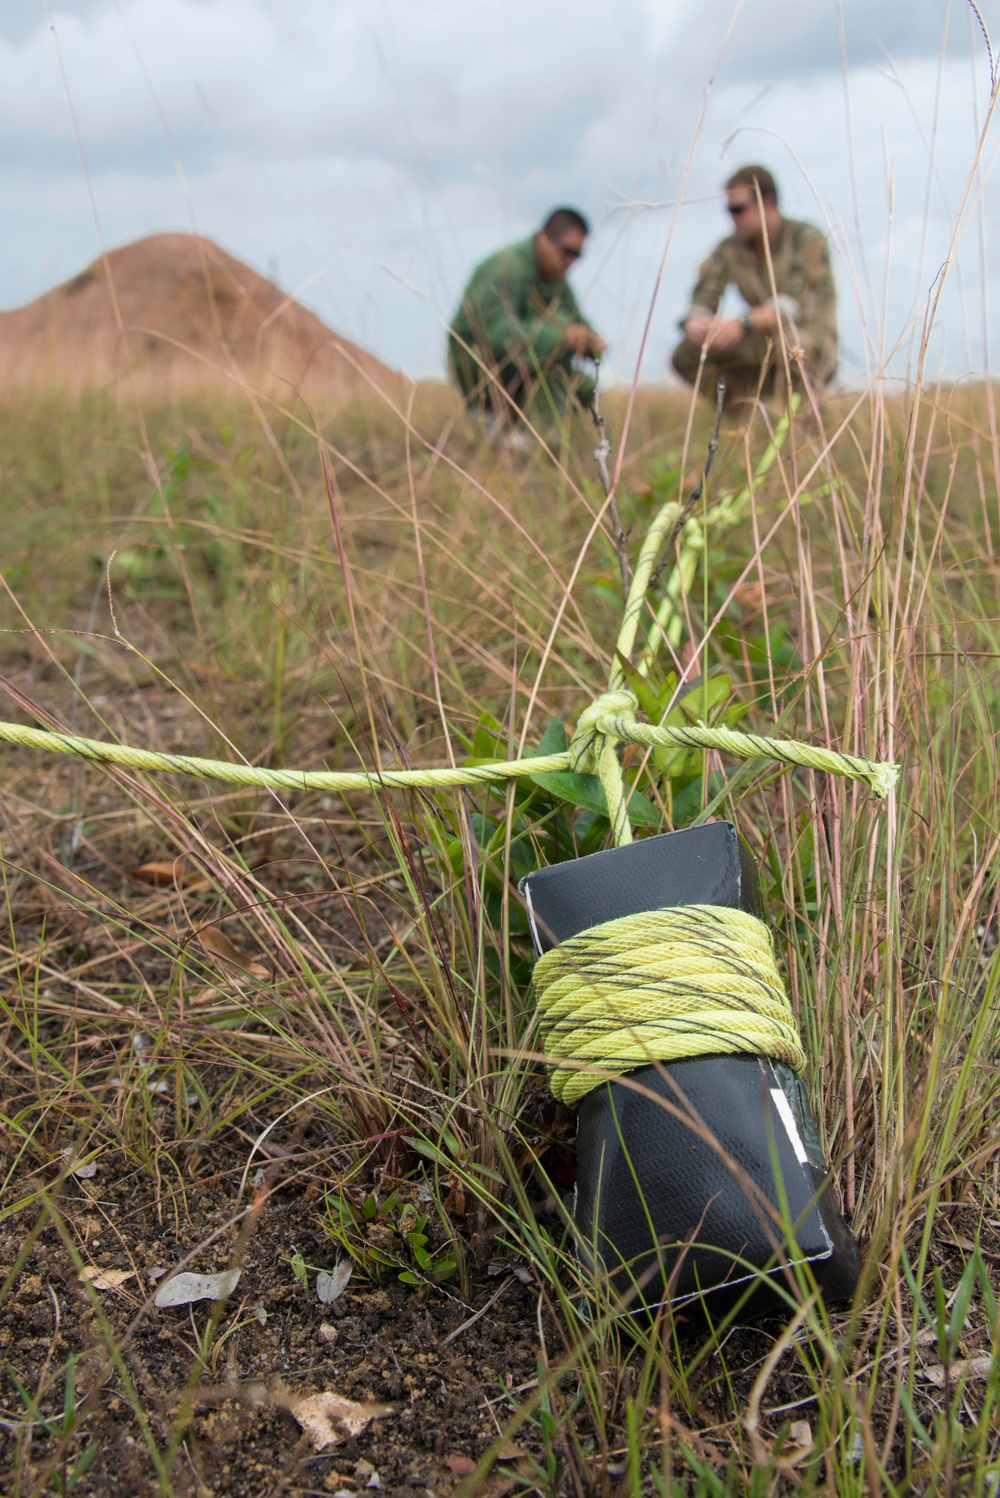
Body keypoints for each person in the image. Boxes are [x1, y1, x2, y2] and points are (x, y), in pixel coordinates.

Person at [671, 166, 837, 408]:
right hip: (758, 343)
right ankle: (743, 417)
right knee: (685, 355)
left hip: (809, 343)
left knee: (789, 347)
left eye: (738, 209)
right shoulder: (729, 249)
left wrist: (744, 323)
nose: (732, 217)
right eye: (728, 210)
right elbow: (703, 299)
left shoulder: (806, 238)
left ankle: (804, 418)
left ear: (768, 202)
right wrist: (696, 324)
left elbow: (793, 306)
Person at [448, 208, 606, 441]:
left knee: (586, 388)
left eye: (578, 256)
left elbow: (579, 322)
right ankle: (528, 445)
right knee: (556, 346)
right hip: (483, 375)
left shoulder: (558, 282)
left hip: (525, 376)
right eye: (567, 252)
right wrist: (562, 338)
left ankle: (539, 438)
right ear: (543, 238)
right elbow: (496, 335)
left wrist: (592, 342)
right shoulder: (507, 266)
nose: (571, 262)